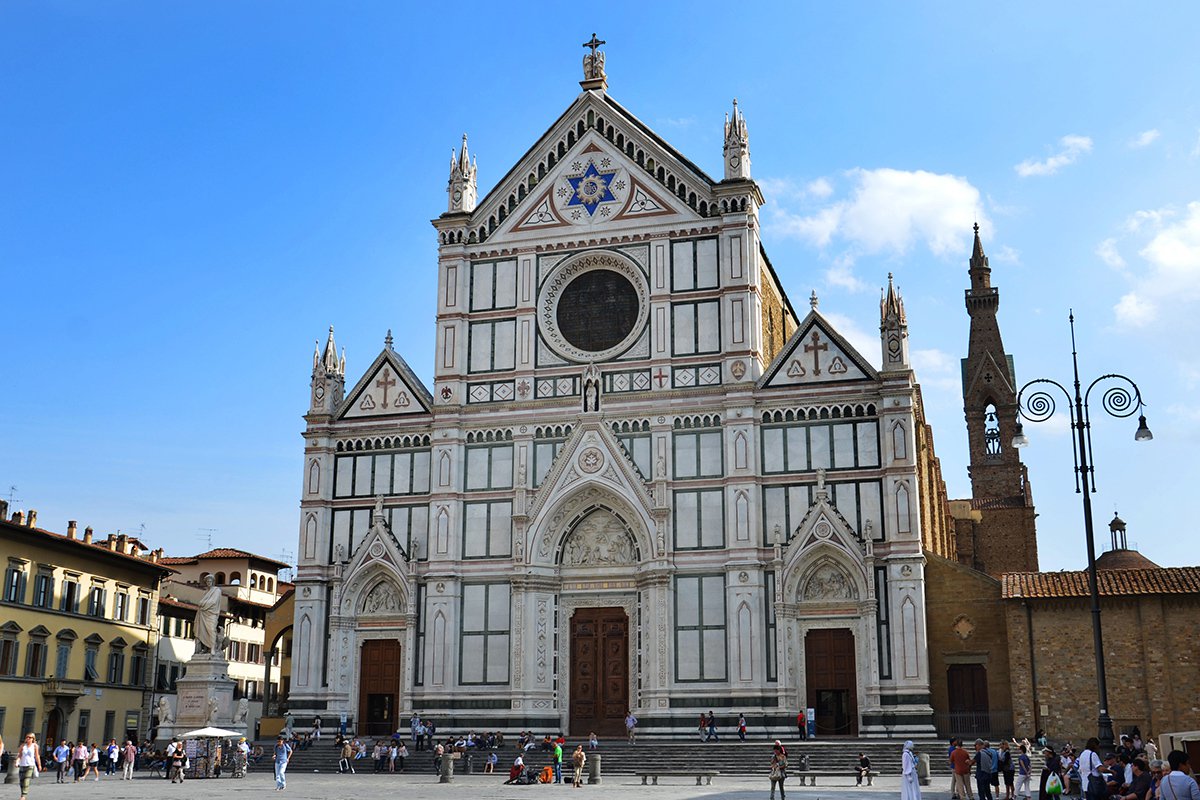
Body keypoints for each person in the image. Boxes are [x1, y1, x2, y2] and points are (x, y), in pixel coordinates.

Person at [194, 573, 224, 654]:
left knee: (211, 630)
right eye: (207, 581)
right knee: (202, 631)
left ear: (213, 582)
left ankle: (213, 648)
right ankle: (205, 649)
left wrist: (202, 603)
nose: (208, 582)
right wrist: (202, 603)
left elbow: (213, 602)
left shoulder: (217, 590)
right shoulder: (205, 592)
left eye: (210, 581)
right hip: (203, 613)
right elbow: (202, 601)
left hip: (211, 614)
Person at [17, 733, 43, 800]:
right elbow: (19, 755)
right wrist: (17, 762)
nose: (28, 738)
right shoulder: (23, 746)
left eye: (30, 737)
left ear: (33, 739)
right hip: (22, 765)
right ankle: (23, 794)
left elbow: (37, 756)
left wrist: (39, 765)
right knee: (21, 781)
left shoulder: (35, 746)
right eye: (27, 737)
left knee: (26, 779)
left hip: (30, 765)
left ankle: (23, 795)